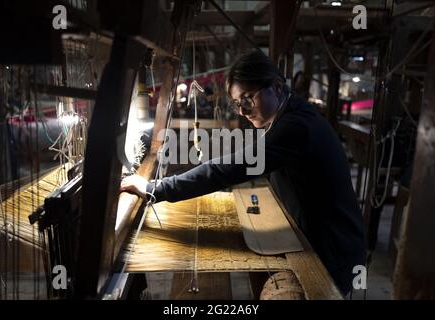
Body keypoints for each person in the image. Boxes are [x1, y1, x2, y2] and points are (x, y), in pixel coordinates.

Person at [121, 50, 366, 295]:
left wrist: (156, 188)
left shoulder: (296, 127)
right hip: (319, 236)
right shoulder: (289, 115)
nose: (242, 111)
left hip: (333, 249)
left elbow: (227, 170)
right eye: (238, 103)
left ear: (277, 87)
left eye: (248, 98)